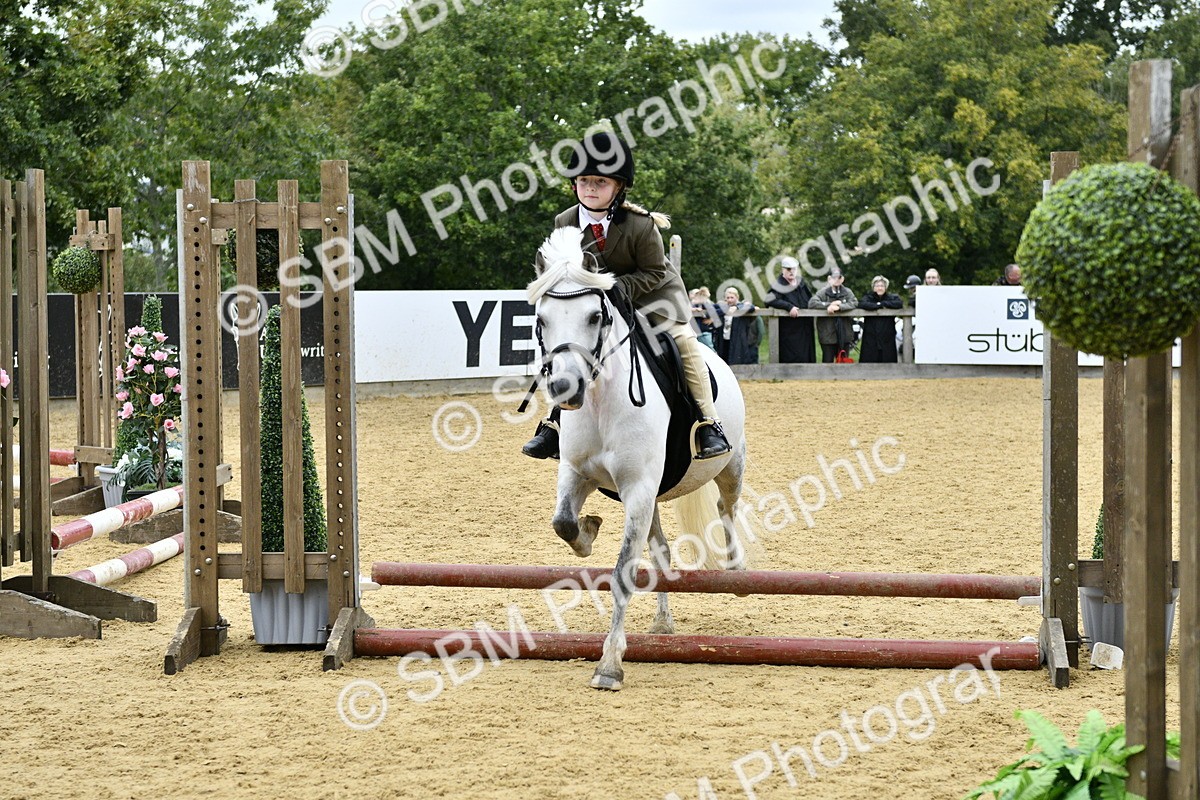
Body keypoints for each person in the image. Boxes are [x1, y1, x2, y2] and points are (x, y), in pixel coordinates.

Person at [523, 132, 730, 461]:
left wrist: (615, 288)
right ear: (574, 184)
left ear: (618, 187)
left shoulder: (640, 224)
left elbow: (655, 273)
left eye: (600, 182)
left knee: (682, 340)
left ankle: (708, 422)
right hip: (595, 300)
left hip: (652, 296)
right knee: (570, 343)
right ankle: (554, 423)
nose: (590, 187)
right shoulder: (564, 222)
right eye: (584, 181)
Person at [764, 256, 815, 363]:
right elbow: (768, 300)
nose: (792, 271)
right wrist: (789, 306)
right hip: (789, 329)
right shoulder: (778, 284)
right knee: (791, 356)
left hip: (805, 327)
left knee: (807, 356)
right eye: (788, 269)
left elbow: (810, 300)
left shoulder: (801, 282)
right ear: (783, 270)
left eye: (794, 269)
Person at [808, 268, 858, 363]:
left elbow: (854, 302)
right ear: (829, 279)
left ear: (842, 279)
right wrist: (829, 305)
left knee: (843, 361)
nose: (836, 279)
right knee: (827, 361)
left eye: (838, 277)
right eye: (834, 277)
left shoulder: (847, 292)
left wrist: (840, 307)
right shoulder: (823, 292)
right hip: (828, 334)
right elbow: (812, 303)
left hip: (845, 334)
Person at [858, 275, 902, 363]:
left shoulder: (892, 298)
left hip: (887, 335)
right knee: (869, 359)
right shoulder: (868, 297)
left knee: (888, 359)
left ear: (886, 287)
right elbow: (862, 304)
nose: (880, 288)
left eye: (882, 286)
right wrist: (879, 305)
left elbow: (899, 304)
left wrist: (884, 303)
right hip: (871, 334)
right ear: (873, 287)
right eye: (877, 286)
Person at [714, 287, 759, 365]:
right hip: (724, 339)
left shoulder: (741, 307)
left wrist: (736, 307)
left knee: (736, 360)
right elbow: (711, 309)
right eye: (728, 298)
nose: (730, 300)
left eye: (732, 297)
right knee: (724, 360)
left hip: (737, 339)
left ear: (737, 297)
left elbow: (750, 307)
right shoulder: (723, 308)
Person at [689, 287, 717, 351]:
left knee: (710, 349)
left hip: (704, 330)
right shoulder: (690, 304)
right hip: (694, 332)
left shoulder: (707, 303)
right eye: (695, 294)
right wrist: (695, 309)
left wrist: (712, 319)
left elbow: (715, 312)